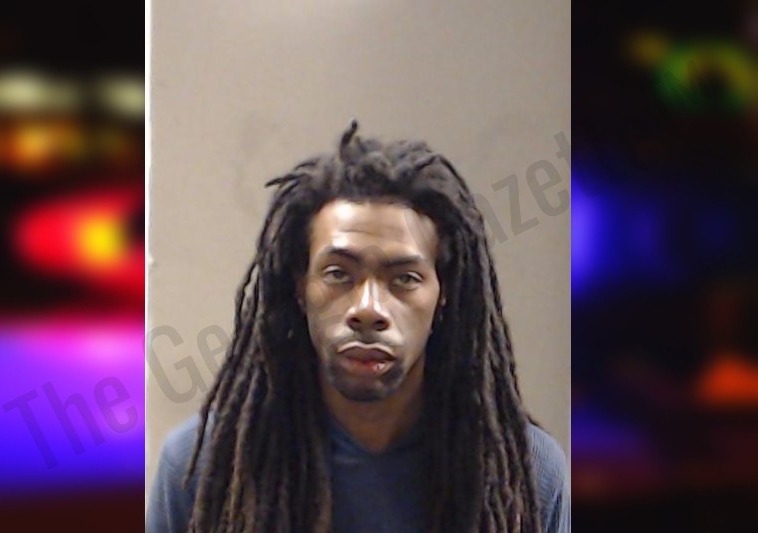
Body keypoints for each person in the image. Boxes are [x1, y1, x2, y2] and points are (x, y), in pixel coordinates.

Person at [147, 121, 570, 533]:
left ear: (444, 294)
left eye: (404, 278)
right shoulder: (203, 470)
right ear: (300, 287)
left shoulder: (527, 479)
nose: (368, 309)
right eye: (338, 274)